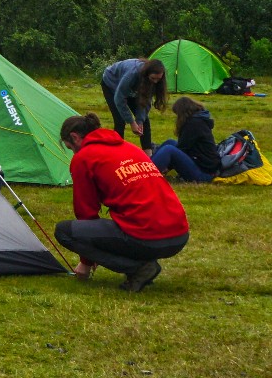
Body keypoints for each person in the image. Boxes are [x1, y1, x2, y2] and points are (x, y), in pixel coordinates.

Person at [54, 112, 190, 292]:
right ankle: (143, 263)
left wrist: (86, 262)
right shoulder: (129, 147)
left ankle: (138, 268)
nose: (73, 153)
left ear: (75, 138)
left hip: (148, 235)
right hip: (179, 235)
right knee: (115, 228)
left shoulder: (84, 157)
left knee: (64, 231)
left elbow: (86, 213)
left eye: (70, 148)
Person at [150, 96, 224, 183]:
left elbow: (182, 148)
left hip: (204, 174)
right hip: (201, 165)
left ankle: (147, 172)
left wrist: (167, 166)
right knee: (170, 142)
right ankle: (148, 164)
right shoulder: (198, 120)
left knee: (169, 149)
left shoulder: (193, 124)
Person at [100, 56, 169, 149]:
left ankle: (148, 154)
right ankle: (117, 152)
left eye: (158, 79)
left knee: (144, 120)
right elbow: (119, 99)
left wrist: (139, 121)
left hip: (130, 89)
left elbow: (145, 102)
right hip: (111, 83)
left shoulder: (152, 81)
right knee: (120, 120)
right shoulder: (132, 74)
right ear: (147, 74)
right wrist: (132, 122)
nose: (155, 82)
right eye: (153, 78)